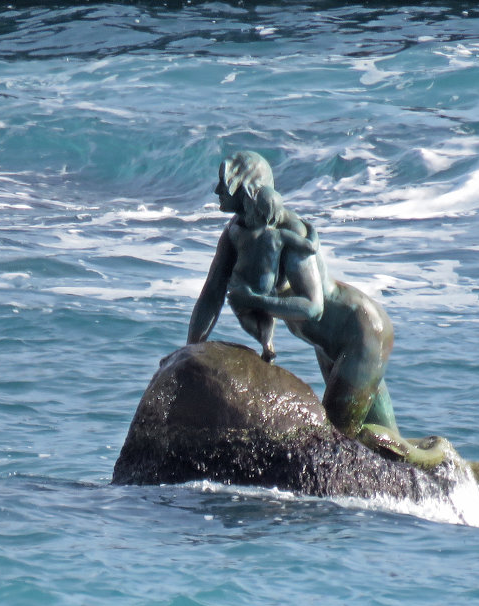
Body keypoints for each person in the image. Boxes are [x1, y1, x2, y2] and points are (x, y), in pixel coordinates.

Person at [189, 151, 441, 465]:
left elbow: (312, 308)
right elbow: (212, 291)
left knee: (339, 441)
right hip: (326, 344)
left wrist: (253, 301)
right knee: (380, 437)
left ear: (248, 188)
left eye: (224, 184)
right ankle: (437, 463)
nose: (216, 191)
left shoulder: (289, 233)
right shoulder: (236, 231)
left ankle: (440, 455)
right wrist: (190, 350)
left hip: (360, 333)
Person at [226, 184, 316, 363]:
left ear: (256, 214)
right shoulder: (279, 236)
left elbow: (232, 230)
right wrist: (311, 229)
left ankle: (258, 336)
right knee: (267, 316)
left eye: (248, 208)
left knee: (243, 312)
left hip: (241, 286)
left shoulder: (240, 233)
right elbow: (310, 247)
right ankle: (267, 342)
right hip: (265, 289)